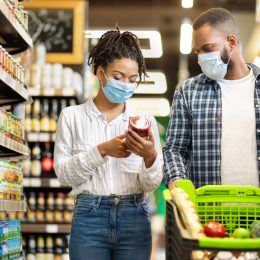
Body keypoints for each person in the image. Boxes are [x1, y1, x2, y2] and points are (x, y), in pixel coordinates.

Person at [54, 28, 163, 260]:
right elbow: (64, 175)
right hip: (88, 218)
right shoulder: (71, 117)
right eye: (118, 77)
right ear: (100, 73)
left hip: (134, 216)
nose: (126, 84)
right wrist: (102, 151)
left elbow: (151, 184)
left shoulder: (145, 121)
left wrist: (150, 156)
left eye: (133, 80)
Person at [163, 7, 260, 190]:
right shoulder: (188, 92)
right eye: (197, 51)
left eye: (208, 49)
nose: (202, 57)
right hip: (208, 210)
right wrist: (177, 180)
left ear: (231, 41)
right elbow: (174, 149)